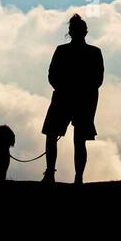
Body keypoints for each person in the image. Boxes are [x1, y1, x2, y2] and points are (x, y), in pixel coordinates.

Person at [41, 14, 103, 184]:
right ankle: (76, 177)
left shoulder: (63, 51)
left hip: (67, 98)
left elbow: (52, 76)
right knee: (76, 139)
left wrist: (65, 88)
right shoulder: (94, 52)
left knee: (54, 135)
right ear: (85, 32)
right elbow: (97, 80)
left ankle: (53, 174)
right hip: (82, 99)